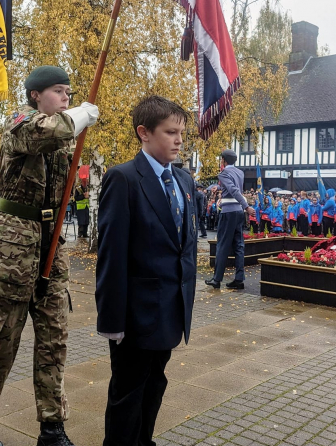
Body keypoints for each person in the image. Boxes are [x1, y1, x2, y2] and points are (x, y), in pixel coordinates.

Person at [0, 66, 98, 446]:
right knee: (3, 340)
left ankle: (53, 427)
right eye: (58, 91)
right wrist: (80, 116)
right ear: (36, 95)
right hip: (12, 248)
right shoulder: (19, 123)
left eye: (69, 92)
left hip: (52, 245)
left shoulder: (65, 130)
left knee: (54, 339)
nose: (66, 97)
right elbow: (47, 132)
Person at [96, 95, 197, 446]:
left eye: (182, 132)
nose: (179, 140)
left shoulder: (184, 182)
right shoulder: (123, 179)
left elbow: (186, 247)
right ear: (144, 133)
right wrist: (112, 322)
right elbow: (112, 256)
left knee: (156, 384)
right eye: (171, 132)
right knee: (127, 394)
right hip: (136, 316)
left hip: (171, 309)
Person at [205, 149, 254, 289]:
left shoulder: (223, 173)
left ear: (224, 161)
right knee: (239, 245)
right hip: (238, 211)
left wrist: (247, 206)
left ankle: (217, 279)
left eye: (221, 160)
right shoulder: (240, 172)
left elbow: (232, 189)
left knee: (222, 245)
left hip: (228, 211)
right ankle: (239, 279)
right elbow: (235, 189)